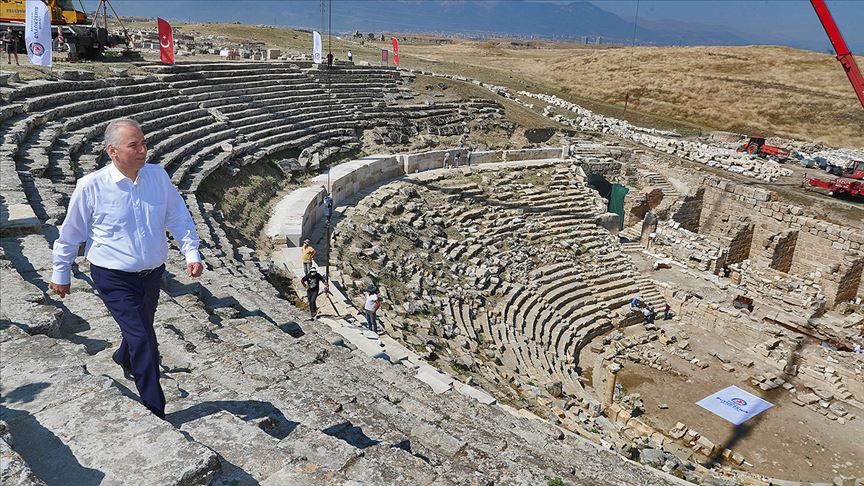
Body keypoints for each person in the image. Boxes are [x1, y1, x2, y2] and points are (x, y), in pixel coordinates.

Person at [50, 118, 203, 420]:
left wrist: (191, 253)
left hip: (152, 274)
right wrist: (61, 271)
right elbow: (71, 233)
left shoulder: (158, 177)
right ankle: (155, 410)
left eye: (144, 143)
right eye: (134, 145)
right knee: (145, 338)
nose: (143, 150)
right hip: (112, 275)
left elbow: (178, 216)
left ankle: (124, 357)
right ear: (113, 151)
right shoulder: (91, 186)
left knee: (140, 327)